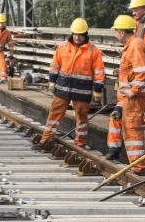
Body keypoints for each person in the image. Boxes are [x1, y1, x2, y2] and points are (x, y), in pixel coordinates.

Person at [39, 18, 105, 148]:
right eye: (75, 34)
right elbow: (55, 66)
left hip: (82, 90)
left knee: (81, 118)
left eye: (80, 34)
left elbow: (99, 72)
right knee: (54, 113)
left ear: (85, 34)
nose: (77, 37)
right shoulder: (63, 47)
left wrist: (98, 90)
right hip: (63, 88)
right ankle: (46, 140)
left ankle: (80, 143)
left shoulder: (93, 50)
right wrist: (51, 82)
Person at [105, 14, 145, 170]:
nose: (115, 35)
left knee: (132, 128)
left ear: (122, 32)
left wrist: (134, 90)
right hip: (131, 96)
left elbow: (143, 71)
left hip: (136, 96)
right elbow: (133, 70)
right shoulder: (132, 45)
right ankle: (136, 165)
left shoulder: (135, 45)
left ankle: (139, 168)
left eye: (116, 32)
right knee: (128, 126)